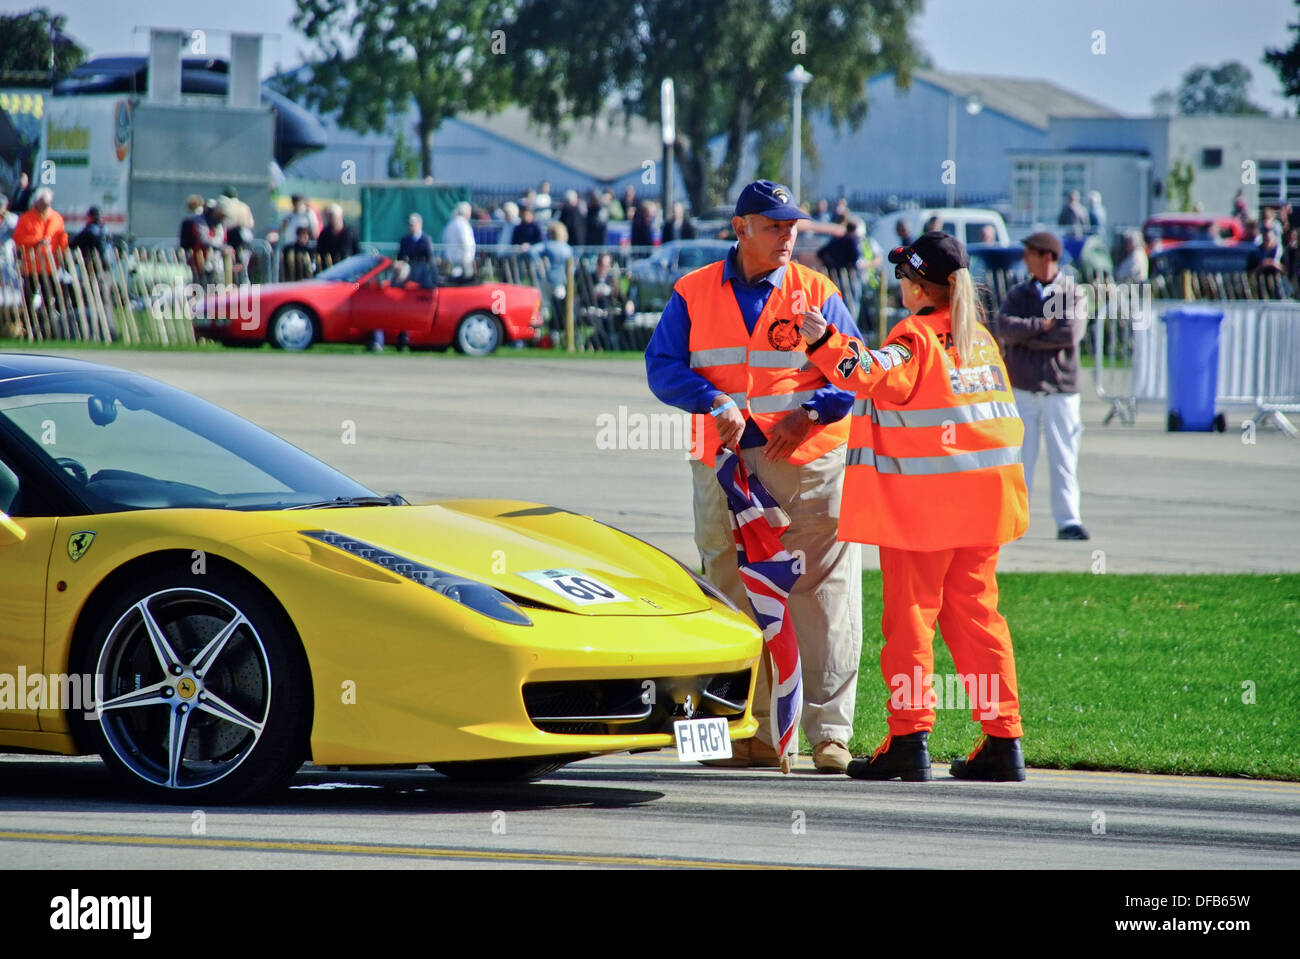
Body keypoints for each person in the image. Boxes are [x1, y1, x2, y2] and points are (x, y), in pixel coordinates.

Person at [645, 179, 864, 773]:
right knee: (729, 588)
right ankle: (754, 731)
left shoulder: (816, 292)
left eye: (793, 226)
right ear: (740, 228)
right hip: (723, 462)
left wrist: (813, 410)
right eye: (774, 226)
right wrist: (711, 400)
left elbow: (854, 370)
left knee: (822, 595)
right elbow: (661, 366)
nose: (788, 236)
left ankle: (828, 735)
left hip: (806, 461)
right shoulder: (692, 292)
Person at [796, 230, 1029, 782]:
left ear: (920, 286)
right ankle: (1003, 740)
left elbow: (872, 376)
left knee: (909, 621)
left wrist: (823, 341)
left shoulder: (916, 337)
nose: (898, 284)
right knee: (978, 619)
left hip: (925, 513)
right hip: (985, 509)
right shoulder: (981, 341)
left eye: (903, 276)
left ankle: (908, 738)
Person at [994, 231, 1089, 541]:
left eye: (1031, 253)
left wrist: (1027, 335)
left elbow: (1068, 334)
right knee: (1020, 459)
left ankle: (1068, 521)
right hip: (1023, 387)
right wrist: (1039, 326)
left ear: (1048, 257)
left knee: (1064, 456)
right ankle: (1017, 521)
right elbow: (1004, 328)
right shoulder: (1019, 293)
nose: (1026, 259)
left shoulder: (1072, 293)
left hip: (1060, 390)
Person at [12, 188, 68, 334]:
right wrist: (36, 242)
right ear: (36, 202)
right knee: (28, 299)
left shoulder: (56, 218)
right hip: (30, 267)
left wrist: (62, 254)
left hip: (50, 267)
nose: (45, 206)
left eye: (47, 203)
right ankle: (28, 327)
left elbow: (62, 239)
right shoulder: (26, 218)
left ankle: (47, 327)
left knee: (50, 298)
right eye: (42, 203)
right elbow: (18, 239)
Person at [532, 220, 574, 338]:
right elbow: (572, 267)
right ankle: (555, 335)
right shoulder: (567, 248)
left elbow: (533, 250)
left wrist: (538, 263)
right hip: (560, 282)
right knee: (558, 310)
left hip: (545, 280)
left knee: (543, 308)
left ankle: (538, 334)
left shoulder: (546, 245)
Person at [441, 201, 476, 275]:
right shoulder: (463, 224)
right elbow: (466, 242)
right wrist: (466, 258)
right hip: (463, 261)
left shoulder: (450, 223)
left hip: (450, 260)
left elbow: (444, 239)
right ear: (466, 212)